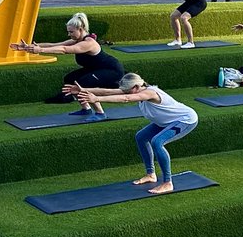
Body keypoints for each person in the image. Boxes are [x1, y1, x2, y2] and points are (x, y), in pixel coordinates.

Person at [67, 72, 198, 195]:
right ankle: (150, 175)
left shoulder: (150, 93)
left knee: (157, 142)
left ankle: (167, 182)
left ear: (136, 87)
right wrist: (82, 90)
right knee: (141, 137)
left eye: (128, 89)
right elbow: (108, 91)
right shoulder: (136, 89)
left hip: (185, 120)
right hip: (166, 121)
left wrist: (96, 99)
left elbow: (126, 98)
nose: (125, 91)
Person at [11, 12, 124, 120]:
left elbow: (64, 50)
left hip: (111, 70)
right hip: (96, 68)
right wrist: (27, 47)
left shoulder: (88, 43)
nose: (69, 34)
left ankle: (100, 113)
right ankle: (86, 109)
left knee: (84, 84)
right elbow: (55, 45)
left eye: (71, 32)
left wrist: (39, 50)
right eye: (68, 32)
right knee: (70, 79)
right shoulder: (76, 40)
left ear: (80, 29)